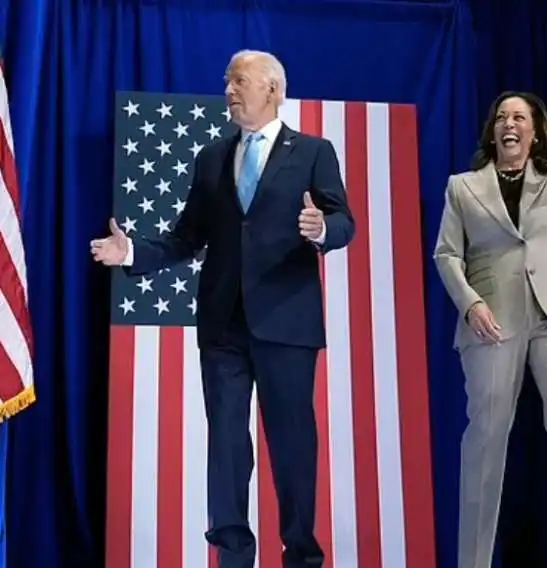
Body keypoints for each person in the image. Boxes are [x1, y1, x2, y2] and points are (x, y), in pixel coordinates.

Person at [90, 50, 355, 568]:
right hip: (223, 326)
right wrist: (135, 252)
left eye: (240, 82)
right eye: (227, 82)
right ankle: (233, 556)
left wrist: (322, 230)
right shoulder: (212, 155)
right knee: (228, 446)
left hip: (286, 323)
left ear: (273, 90)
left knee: (292, 446)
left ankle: (301, 555)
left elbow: (342, 218)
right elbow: (188, 236)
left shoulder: (314, 152)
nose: (230, 91)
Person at [433, 29, 547, 568]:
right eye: (501, 118)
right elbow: (447, 255)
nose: (509, 123)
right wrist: (470, 303)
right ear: (492, 133)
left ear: (535, 133)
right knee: (486, 445)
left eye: (519, 117)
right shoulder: (462, 188)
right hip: (493, 321)